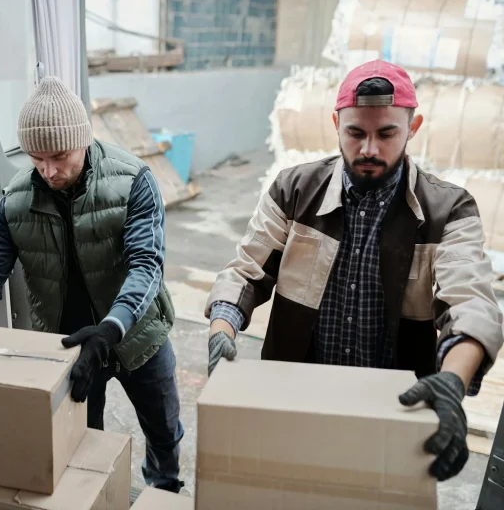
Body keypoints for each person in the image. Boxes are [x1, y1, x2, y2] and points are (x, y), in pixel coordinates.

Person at [205, 60, 504, 482]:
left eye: (386, 134)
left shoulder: (448, 210)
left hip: (395, 407)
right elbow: (246, 269)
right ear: (336, 123)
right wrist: (222, 329)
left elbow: (471, 301)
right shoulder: (294, 190)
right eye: (355, 132)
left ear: (413, 127)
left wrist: (452, 382)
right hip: (296, 395)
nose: (368, 149)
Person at [0, 76, 184, 493]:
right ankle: (93, 498)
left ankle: (164, 493)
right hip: (70, 347)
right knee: (79, 444)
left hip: (136, 333)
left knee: (163, 430)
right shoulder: (16, 200)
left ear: (84, 140)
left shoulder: (133, 181)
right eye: (36, 158)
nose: (48, 171)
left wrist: (112, 329)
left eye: (59, 156)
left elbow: (146, 266)